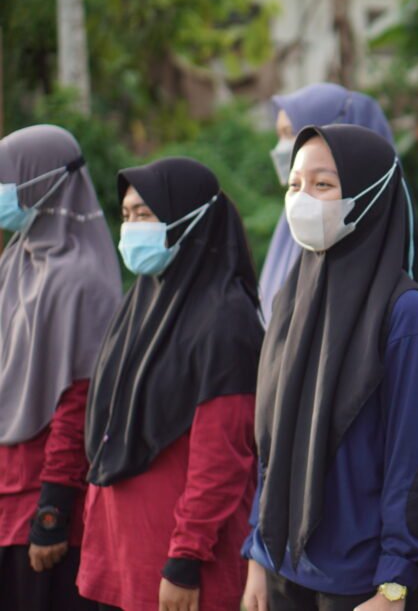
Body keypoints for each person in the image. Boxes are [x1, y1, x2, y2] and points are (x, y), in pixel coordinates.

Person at [242, 124, 418, 611]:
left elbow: (413, 463)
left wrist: (396, 584)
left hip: (362, 587)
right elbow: (272, 440)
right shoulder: (292, 296)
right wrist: (257, 552)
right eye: (295, 185)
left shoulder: (406, 314)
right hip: (283, 567)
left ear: (368, 194)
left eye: (323, 184)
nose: (302, 199)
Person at [77, 158, 264, 611]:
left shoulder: (226, 320)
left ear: (190, 216)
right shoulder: (143, 300)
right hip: (121, 553)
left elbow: (221, 458)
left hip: (178, 567)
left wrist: (184, 557)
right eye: (126, 216)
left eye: (145, 214)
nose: (132, 228)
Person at [0, 125, 121, 611]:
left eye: (7, 179)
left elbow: (78, 407)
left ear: (41, 180)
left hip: (43, 520)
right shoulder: (15, 262)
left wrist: (52, 513)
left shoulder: (82, 281)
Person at [261, 82, 394, 322]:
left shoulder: (397, 305)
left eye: (290, 132)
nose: (283, 146)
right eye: (279, 134)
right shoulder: (295, 216)